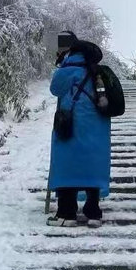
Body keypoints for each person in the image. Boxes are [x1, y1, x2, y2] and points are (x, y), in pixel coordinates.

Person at [47, 31, 111, 228]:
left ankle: (67, 213)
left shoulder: (66, 71)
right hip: (98, 126)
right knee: (92, 165)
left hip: (71, 125)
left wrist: (61, 63)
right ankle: (93, 213)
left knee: (68, 163)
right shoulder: (98, 72)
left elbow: (55, 90)